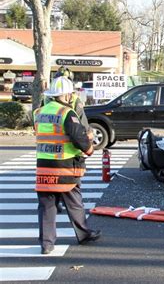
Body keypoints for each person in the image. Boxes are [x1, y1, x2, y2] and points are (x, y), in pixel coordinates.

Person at [34, 76, 101, 255]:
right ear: (66, 95)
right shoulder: (66, 113)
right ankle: (84, 234)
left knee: (47, 206)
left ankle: (46, 244)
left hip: (43, 166)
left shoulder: (39, 112)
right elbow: (78, 137)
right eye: (70, 93)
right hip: (64, 165)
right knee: (74, 201)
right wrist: (89, 149)